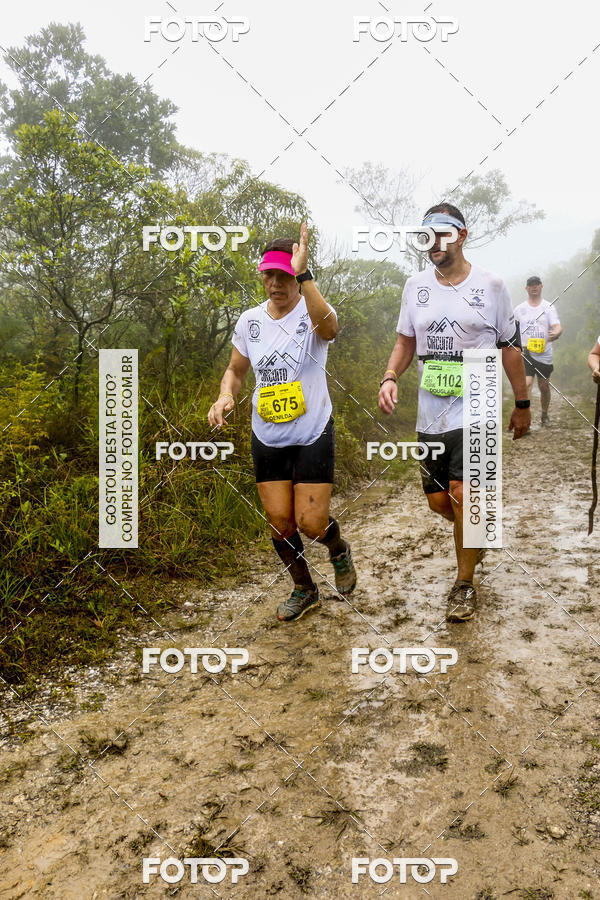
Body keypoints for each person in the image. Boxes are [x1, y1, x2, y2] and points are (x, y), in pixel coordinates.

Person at [378, 203, 530, 623]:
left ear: (461, 235)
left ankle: (464, 583)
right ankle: (478, 531)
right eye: (426, 235)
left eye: (442, 234)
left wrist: (521, 403)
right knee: (440, 502)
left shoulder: (492, 285)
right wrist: (390, 375)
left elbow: (509, 348)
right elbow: (406, 342)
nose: (433, 243)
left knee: (464, 495)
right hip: (432, 410)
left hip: (479, 396)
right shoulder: (415, 286)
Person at [208, 223, 356, 622]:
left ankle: (338, 548)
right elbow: (236, 370)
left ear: (297, 276)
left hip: (311, 432)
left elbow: (331, 328)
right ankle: (304, 589)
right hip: (267, 433)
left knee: (311, 523)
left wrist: (304, 273)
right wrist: (226, 395)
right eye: (268, 274)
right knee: (279, 522)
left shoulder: (313, 313)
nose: (274, 283)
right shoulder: (249, 321)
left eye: (284, 274)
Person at [513, 276, 562, 426]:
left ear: (541, 287)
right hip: (526, 353)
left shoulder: (548, 307)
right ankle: (525, 420)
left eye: (536, 285)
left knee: (544, 386)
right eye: (531, 285)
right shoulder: (519, 309)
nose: (534, 287)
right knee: (527, 384)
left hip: (544, 354)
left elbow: (557, 326)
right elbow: (512, 328)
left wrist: (557, 333)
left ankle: (544, 415)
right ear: (526, 288)